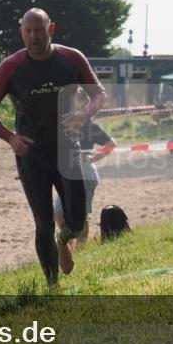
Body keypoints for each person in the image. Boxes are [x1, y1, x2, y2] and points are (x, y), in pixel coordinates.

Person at [0, 8, 107, 285]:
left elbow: (99, 95)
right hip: (32, 155)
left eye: (39, 30)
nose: (34, 36)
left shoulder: (71, 59)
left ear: (51, 29)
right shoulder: (11, 66)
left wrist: (85, 113)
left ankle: (64, 241)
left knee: (77, 220)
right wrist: (10, 137)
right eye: (28, 31)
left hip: (67, 150)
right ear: (22, 32)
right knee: (43, 222)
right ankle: (52, 285)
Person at [54, 90, 116, 249]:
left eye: (71, 102)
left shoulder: (89, 125)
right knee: (59, 213)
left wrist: (92, 158)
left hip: (86, 172)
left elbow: (111, 145)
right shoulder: (64, 123)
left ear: (81, 104)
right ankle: (71, 246)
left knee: (81, 215)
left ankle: (80, 249)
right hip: (68, 171)